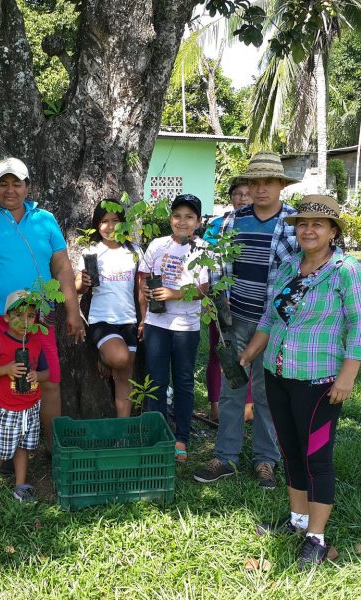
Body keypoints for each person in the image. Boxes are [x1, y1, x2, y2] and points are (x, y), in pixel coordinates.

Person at [241, 195, 361, 570]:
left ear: (333, 231)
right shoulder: (286, 267)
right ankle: (297, 521)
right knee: (290, 451)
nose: (308, 229)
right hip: (278, 375)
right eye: (302, 224)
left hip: (319, 381)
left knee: (316, 457)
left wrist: (347, 377)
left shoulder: (346, 270)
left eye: (318, 224)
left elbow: (360, 325)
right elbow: (269, 318)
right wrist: (250, 354)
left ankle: (316, 536)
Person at [0, 157, 84, 451]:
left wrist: (72, 310)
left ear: (27, 187)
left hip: (38, 319)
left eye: (16, 183)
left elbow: (61, 267)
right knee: (5, 381)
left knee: (48, 380)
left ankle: (52, 450)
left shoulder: (45, 220)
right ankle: (6, 450)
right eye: (3, 183)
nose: (10, 190)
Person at [193, 152, 300, 488]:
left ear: (281, 185)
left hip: (275, 323)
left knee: (267, 393)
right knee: (232, 388)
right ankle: (225, 457)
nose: (261, 189)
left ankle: (266, 460)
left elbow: (299, 275)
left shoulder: (295, 225)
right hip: (236, 317)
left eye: (269, 182)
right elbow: (215, 265)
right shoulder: (231, 222)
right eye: (255, 182)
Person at [138, 194, 209, 462]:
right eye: (177, 215)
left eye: (189, 217)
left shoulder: (203, 249)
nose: (182, 221)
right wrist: (144, 312)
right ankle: (156, 435)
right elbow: (143, 279)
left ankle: (182, 438)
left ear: (198, 222)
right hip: (157, 324)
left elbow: (203, 289)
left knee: (183, 381)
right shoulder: (157, 245)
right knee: (156, 380)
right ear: (170, 219)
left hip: (186, 327)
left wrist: (173, 294)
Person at [0, 290, 50, 513]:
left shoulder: (36, 343)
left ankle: (20, 485)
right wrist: (5, 369)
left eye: (30, 315)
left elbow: (46, 373)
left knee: (24, 447)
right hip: (8, 408)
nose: (25, 321)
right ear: (6, 317)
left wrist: (37, 375)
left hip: (31, 406)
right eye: (19, 315)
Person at [74, 199, 145, 417]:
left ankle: (122, 430)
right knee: (120, 359)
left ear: (123, 223)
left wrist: (144, 319)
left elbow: (141, 288)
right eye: (104, 221)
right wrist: (82, 283)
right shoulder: (91, 251)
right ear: (97, 224)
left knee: (124, 376)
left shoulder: (134, 251)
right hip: (101, 320)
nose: (110, 226)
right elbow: (77, 288)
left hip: (129, 321)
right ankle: (105, 356)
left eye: (115, 221)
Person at [203, 178, 254, 421]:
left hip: (251, 302)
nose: (243, 198)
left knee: (249, 352)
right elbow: (207, 263)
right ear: (230, 197)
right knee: (220, 351)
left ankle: (248, 406)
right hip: (221, 298)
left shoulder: (259, 226)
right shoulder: (217, 226)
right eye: (238, 194)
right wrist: (218, 295)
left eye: (248, 193)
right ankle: (215, 406)